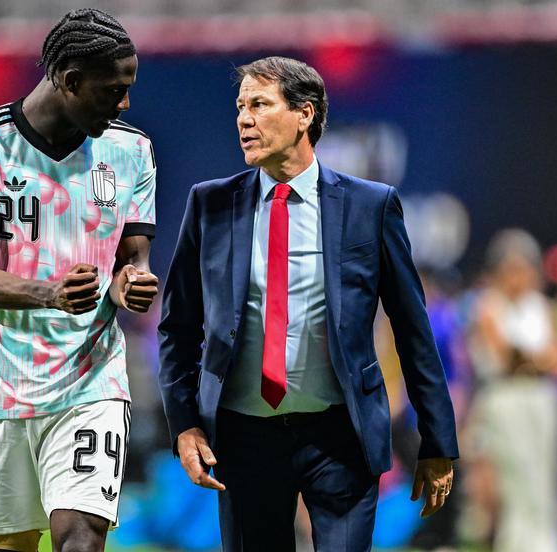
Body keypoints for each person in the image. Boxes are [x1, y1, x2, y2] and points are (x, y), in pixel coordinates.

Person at [158, 56, 458, 551]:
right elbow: (178, 328)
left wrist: (437, 439)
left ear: (305, 114)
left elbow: (412, 329)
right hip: (244, 436)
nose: (244, 119)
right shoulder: (210, 204)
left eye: (260, 104)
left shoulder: (370, 205)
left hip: (341, 435)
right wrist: (185, 424)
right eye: (240, 107)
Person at [0, 8, 158, 552]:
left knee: (81, 538)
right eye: (113, 90)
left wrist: (131, 283)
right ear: (70, 80)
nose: (125, 104)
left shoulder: (131, 151)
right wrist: (50, 293)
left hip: (90, 381)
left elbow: (134, 259)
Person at [466, 229, 557, 552]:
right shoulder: (488, 305)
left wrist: (529, 358)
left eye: (523, 268)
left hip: (542, 398)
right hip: (506, 399)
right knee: (516, 475)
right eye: (511, 269)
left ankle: (546, 540)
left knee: (545, 473)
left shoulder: (543, 307)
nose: (518, 277)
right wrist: (535, 358)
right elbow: (505, 356)